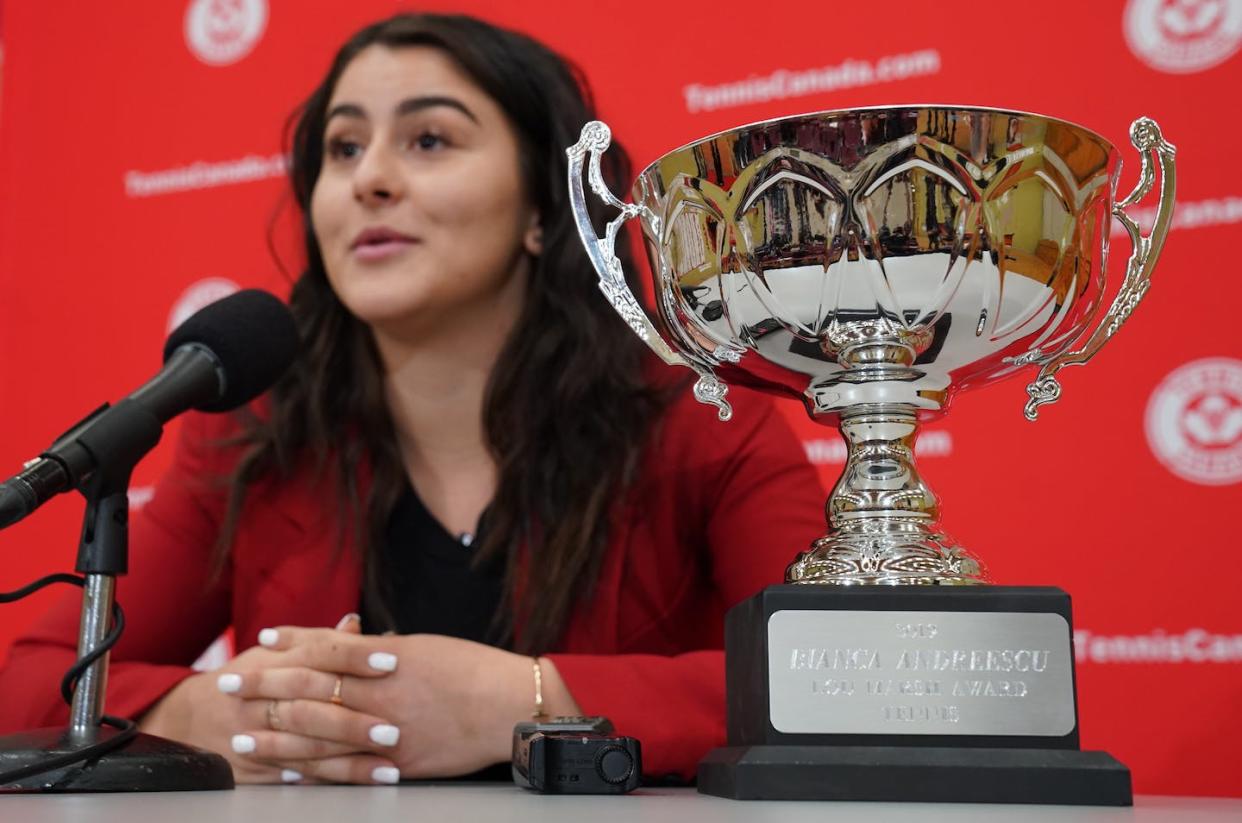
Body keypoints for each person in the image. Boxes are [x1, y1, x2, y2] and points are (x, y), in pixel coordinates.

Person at [0, 13, 825, 785]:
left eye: (429, 140)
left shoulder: (701, 419)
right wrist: (200, 712)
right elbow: (31, 676)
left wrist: (529, 699)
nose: (371, 180)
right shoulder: (263, 432)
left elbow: (838, 673)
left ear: (543, 207)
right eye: (344, 148)